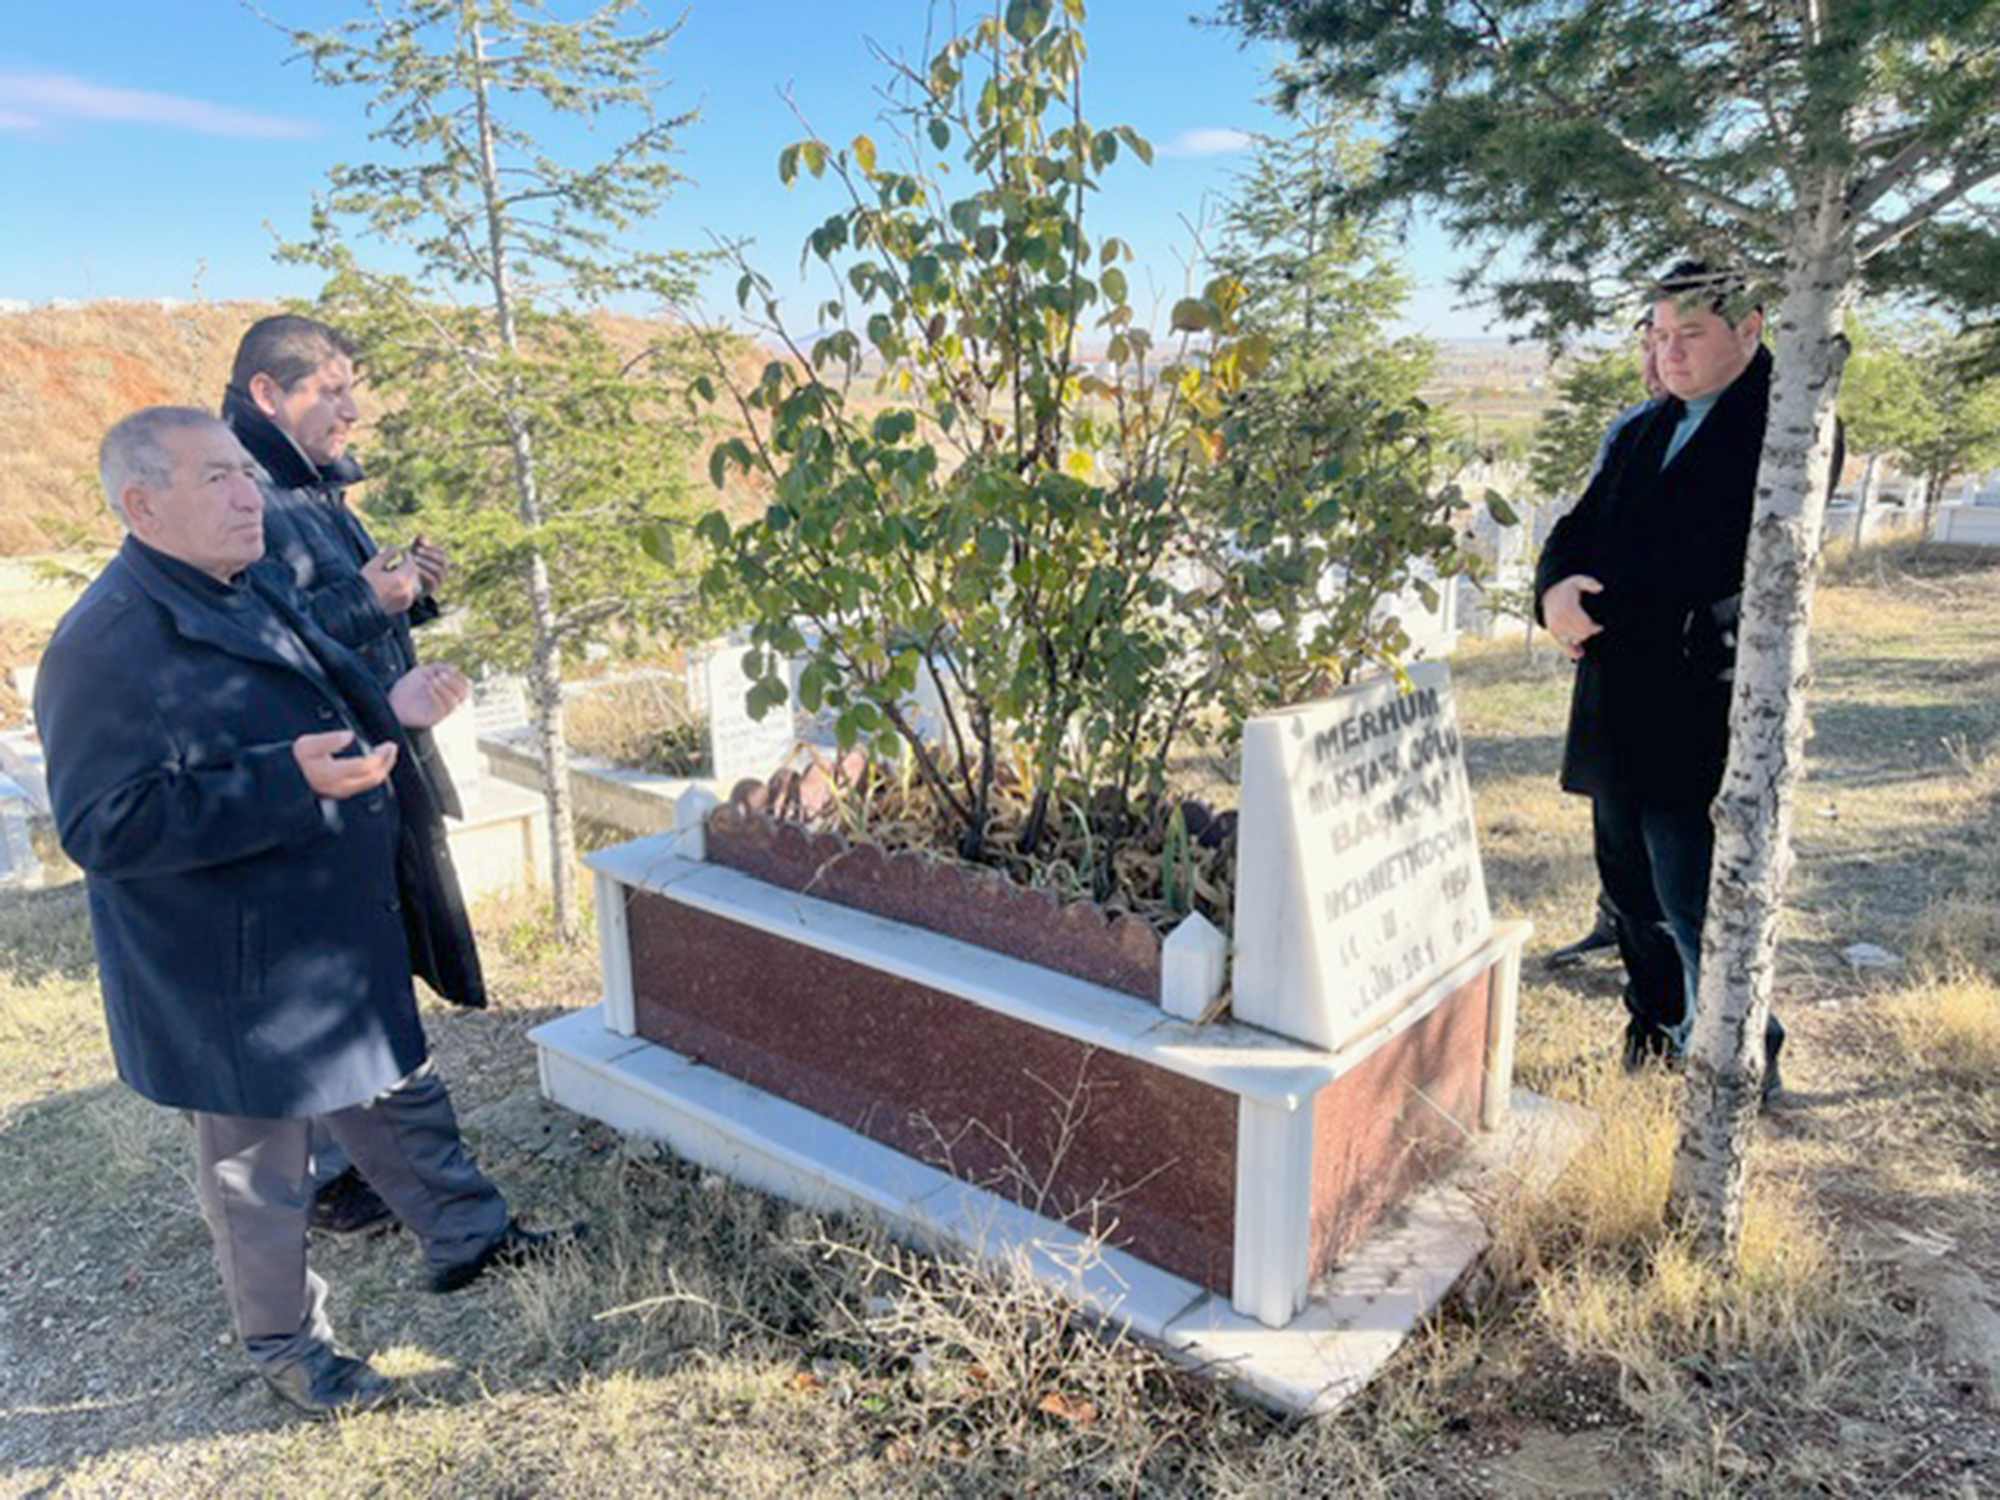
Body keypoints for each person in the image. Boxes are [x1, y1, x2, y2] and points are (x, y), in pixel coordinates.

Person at [36, 408, 576, 1416]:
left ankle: (468, 1237)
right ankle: (290, 1352)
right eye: (217, 479)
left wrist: (391, 712)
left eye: (246, 472)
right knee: (260, 1173)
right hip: (232, 964)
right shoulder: (103, 646)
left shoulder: (246, 585)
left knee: (393, 1088)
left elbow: (319, 688)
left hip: (328, 929)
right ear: (142, 505)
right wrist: (283, 782)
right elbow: (104, 825)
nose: (249, 496)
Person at [222, 315, 470, 1237]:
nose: (351, 411)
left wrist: (408, 589)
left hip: (369, 752)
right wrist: (375, 597)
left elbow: (333, 605)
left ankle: (365, 1162)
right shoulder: (249, 494)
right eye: (330, 390)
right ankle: (338, 1171)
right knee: (336, 969)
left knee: (376, 955)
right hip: (318, 772)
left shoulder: (309, 486)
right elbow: (268, 638)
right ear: (266, 396)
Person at [1536, 262, 1790, 1100]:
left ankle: (1742, 1052)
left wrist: (1595, 608)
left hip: (1700, 698)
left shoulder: (1781, 428)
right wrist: (1552, 592)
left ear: (1748, 332)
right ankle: (1652, 1030)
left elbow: (1718, 559)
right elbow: (1578, 524)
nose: (1669, 354)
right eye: (1659, 336)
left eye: (1690, 336)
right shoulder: (1651, 427)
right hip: (1617, 695)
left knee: (1695, 894)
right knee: (1629, 886)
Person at [1545, 328, 1668, 972]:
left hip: (1681, 665)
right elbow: (1591, 535)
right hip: (1609, 659)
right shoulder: (1630, 430)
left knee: (1673, 845)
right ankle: (1616, 926)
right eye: (1648, 342)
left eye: (1677, 340)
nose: (1656, 360)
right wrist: (1564, 608)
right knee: (1616, 823)